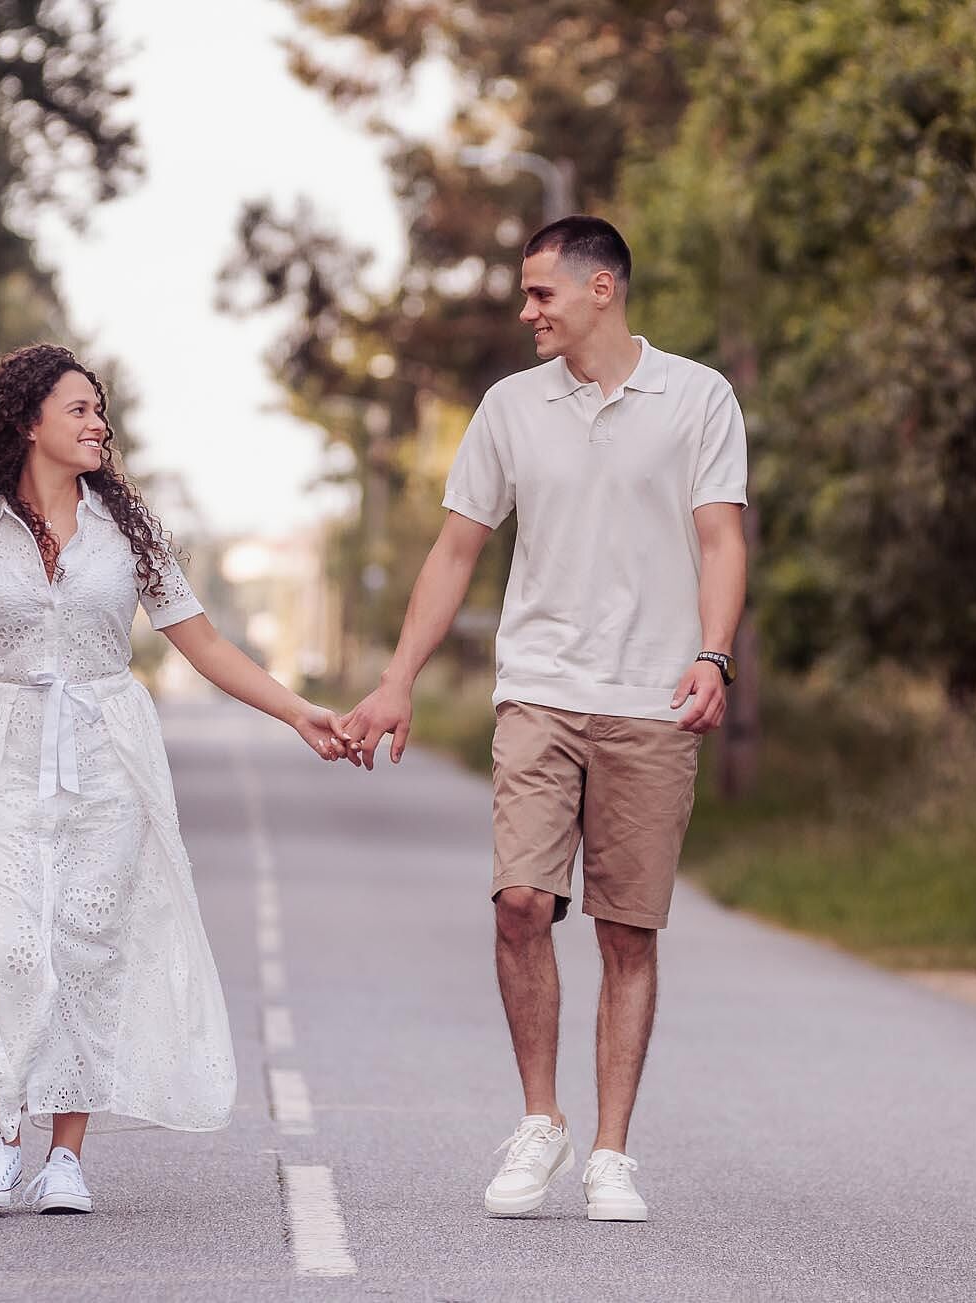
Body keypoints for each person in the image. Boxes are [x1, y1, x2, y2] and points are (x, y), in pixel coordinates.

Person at [341, 216, 748, 1223]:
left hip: (650, 696)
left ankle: (611, 1148)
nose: (525, 311)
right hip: (538, 690)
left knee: (625, 928)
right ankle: (539, 1121)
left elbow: (720, 539)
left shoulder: (696, 397)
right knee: (518, 902)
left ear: (599, 287)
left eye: (539, 294)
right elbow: (451, 554)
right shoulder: (509, 409)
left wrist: (710, 653)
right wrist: (396, 679)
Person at [0, 343, 355, 1215]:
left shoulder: (126, 534)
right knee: (0, 944)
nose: (98, 423)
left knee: (85, 949)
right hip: (3, 750)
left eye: (100, 411)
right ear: (29, 424)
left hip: (108, 754)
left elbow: (205, 645)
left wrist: (299, 713)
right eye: (79, 410)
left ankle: (65, 1156)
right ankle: (1, 1137)